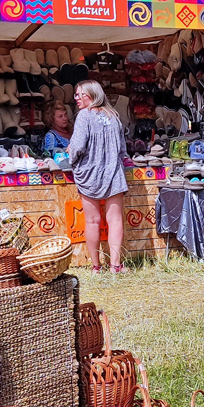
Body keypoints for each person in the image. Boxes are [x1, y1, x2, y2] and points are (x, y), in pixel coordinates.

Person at [66, 80, 129, 273]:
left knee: (92, 221)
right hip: (113, 173)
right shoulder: (113, 116)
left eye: (80, 94)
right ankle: (115, 265)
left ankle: (96, 266)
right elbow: (122, 150)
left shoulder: (84, 116)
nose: (76, 98)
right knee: (115, 220)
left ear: (91, 95)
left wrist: (70, 156)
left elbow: (77, 147)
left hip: (90, 173)